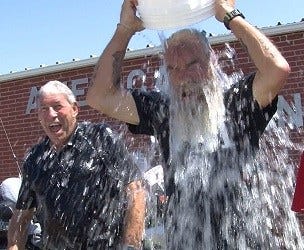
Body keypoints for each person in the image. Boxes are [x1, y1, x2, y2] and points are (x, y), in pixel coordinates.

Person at [86, 0, 292, 248]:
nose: (182, 77)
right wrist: (124, 30)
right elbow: (99, 96)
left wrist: (230, 15)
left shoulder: (237, 103)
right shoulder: (162, 111)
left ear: (211, 63)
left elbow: (277, 70)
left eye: (192, 65)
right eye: (173, 68)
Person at [7, 80, 146, 250]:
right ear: (39, 116)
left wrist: (131, 245)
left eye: (57, 106)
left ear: (74, 109)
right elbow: (22, 215)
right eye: (44, 109)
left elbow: (136, 190)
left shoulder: (101, 138)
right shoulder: (35, 159)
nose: (51, 114)